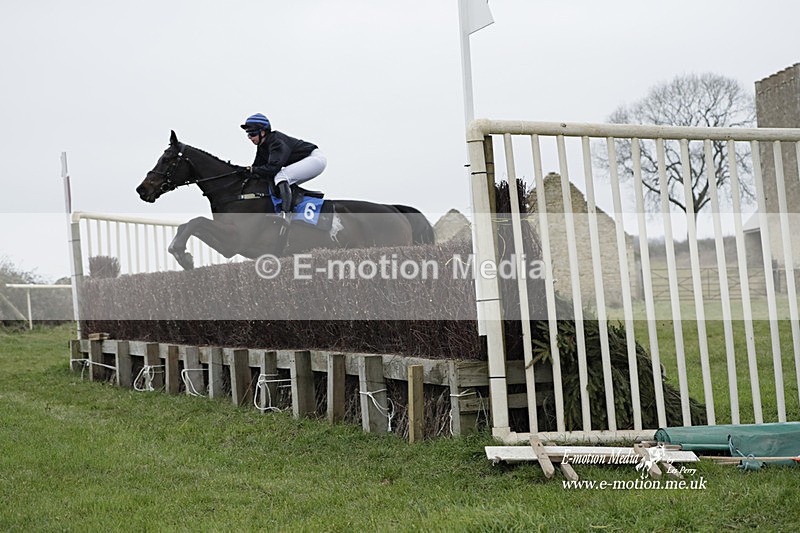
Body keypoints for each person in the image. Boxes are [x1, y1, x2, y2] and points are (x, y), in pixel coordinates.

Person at [241, 113, 327, 215]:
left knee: (281, 176)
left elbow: (273, 169)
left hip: (315, 159)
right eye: (248, 134)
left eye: (252, 134)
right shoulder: (262, 146)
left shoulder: (276, 141)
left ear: (263, 132)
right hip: (308, 160)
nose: (250, 137)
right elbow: (257, 169)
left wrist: (252, 170)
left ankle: (286, 213)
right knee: (276, 182)